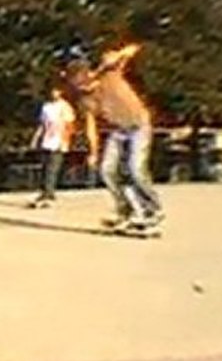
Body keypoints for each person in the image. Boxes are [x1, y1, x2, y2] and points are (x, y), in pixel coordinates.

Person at [64, 42, 164, 228]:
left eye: (85, 84)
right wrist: (93, 152)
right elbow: (91, 126)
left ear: (89, 75)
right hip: (118, 131)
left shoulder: (110, 74)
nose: (85, 89)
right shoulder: (84, 99)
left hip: (139, 125)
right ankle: (125, 211)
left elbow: (132, 49)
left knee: (135, 169)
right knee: (107, 171)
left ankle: (152, 209)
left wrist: (113, 58)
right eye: (79, 87)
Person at [28, 84, 76, 208]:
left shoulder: (65, 107)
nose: (53, 93)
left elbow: (69, 126)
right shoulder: (46, 107)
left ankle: (49, 193)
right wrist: (36, 138)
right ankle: (44, 191)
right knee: (45, 168)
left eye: (56, 91)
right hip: (47, 141)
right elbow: (42, 125)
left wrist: (65, 140)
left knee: (52, 168)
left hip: (58, 140)